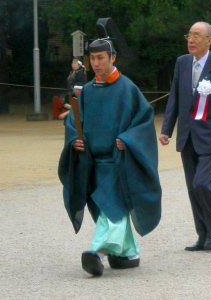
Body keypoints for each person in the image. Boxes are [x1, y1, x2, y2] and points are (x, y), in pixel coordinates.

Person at [58, 38, 162, 277]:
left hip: (119, 161)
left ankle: (98, 252)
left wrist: (127, 139)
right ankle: (129, 253)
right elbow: (74, 121)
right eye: (92, 59)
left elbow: (144, 121)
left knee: (113, 208)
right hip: (93, 162)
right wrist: (75, 139)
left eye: (100, 58)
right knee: (107, 207)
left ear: (112, 57)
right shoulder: (87, 92)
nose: (96, 63)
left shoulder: (127, 88)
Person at [159, 22, 211, 251]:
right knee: (193, 188)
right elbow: (174, 96)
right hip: (187, 136)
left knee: (202, 183)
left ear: (209, 41)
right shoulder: (182, 63)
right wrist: (166, 129)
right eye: (189, 35)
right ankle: (202, 234)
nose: (191, 40)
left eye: (197, 35)